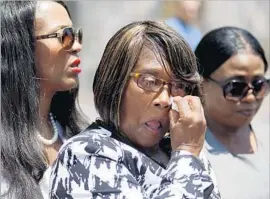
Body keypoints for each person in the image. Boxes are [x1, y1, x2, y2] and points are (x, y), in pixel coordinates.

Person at [49, 20, 221, 198]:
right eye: (148, 81)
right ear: (116, 83)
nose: (164, 100)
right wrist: (186, 154)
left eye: (178, 85)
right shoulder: (87, 153)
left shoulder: (178, 149)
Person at [1, 1, 87, 199]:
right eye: (64, 35)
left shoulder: (77, 135)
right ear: (22, 46)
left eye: (76, 34)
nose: (77, 45)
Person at [195, 26, 269, 199]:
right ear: (201, 85)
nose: (251, 98)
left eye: (259, 85)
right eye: (236, 87)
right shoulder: (183, 155)